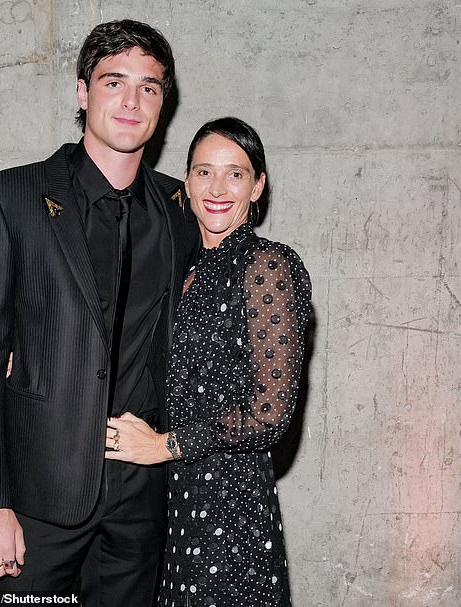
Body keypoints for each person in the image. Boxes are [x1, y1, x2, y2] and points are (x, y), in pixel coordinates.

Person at [0, 19, 200, 604]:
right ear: (83, 92)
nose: (132, 101)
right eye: (115, 82)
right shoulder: (7, 198)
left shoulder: (180, 211)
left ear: (164, 102)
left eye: (149, 86)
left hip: (142, 499)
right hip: (36, 498)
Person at [105, 117, 312, 606]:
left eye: (235, 174)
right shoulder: (181, 268)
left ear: (258, 186)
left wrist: (166, 445)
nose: (217, 188)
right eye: (203, 172)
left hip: (229, 506)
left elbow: (270, 414)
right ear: (187, 182)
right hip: (168, 503)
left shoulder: (267, 265)